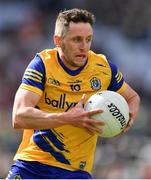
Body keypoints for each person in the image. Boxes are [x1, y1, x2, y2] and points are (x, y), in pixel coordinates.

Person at [6, 8, 140, 179]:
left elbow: (133, 97)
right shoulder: (42, 65)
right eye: (76, 40)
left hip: (76, 173)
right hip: (32, 166)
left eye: (88, 40)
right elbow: (18, 117)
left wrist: (128, 115)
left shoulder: (103, 68)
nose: (84, 47)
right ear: (58, 40)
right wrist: (67, 118)